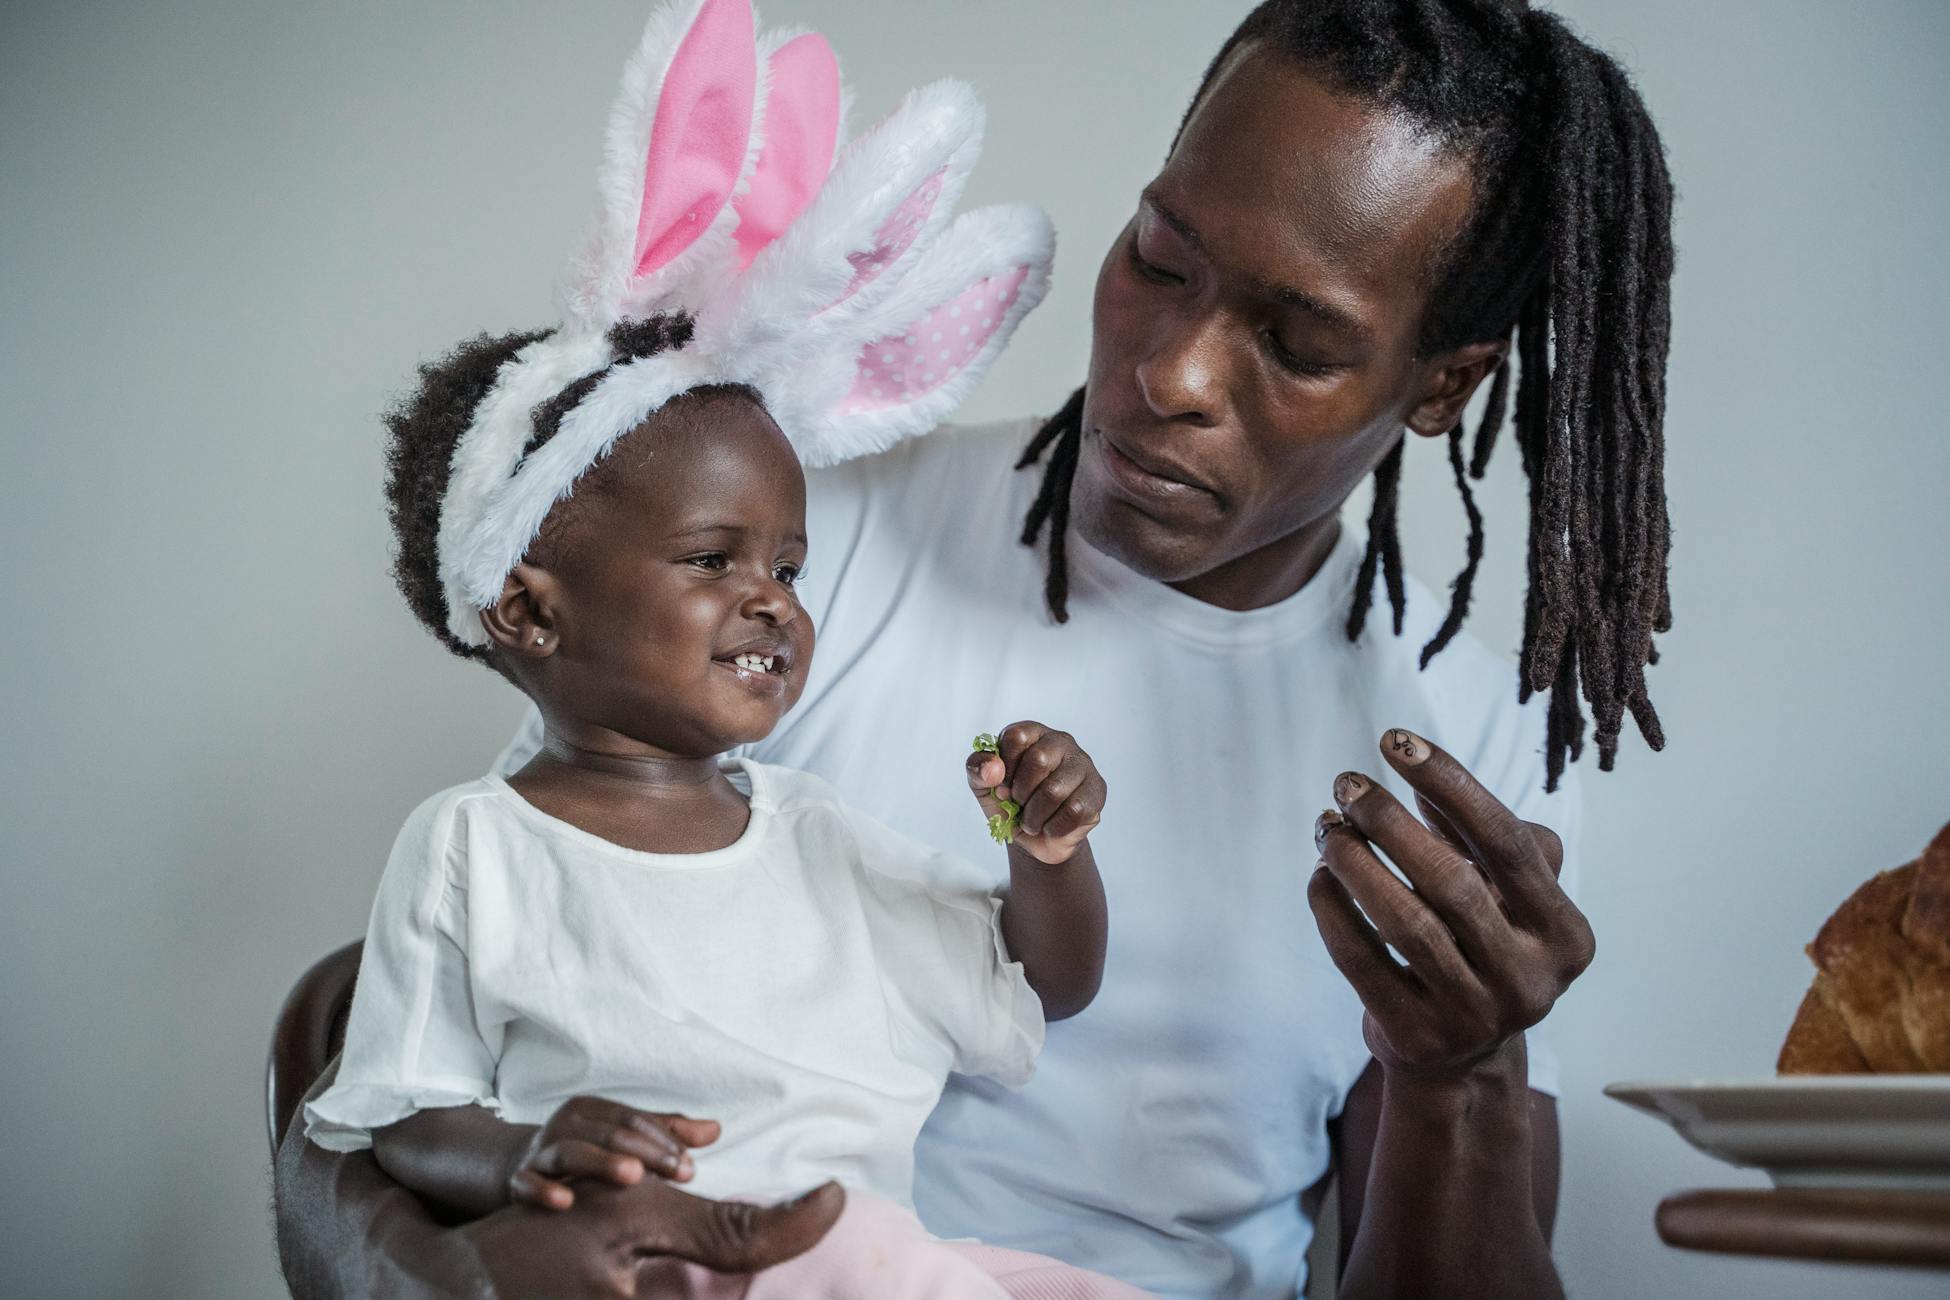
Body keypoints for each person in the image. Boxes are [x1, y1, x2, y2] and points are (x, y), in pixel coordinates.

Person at [275, 1, 1673, 1296]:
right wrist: (464, 1283)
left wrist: (1459, 1077)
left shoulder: (1459, 749)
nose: (1167, 372)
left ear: (1440, 384)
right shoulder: (803, 552)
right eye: (1159, 260)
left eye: (1295, 342)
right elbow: (411, 1048)